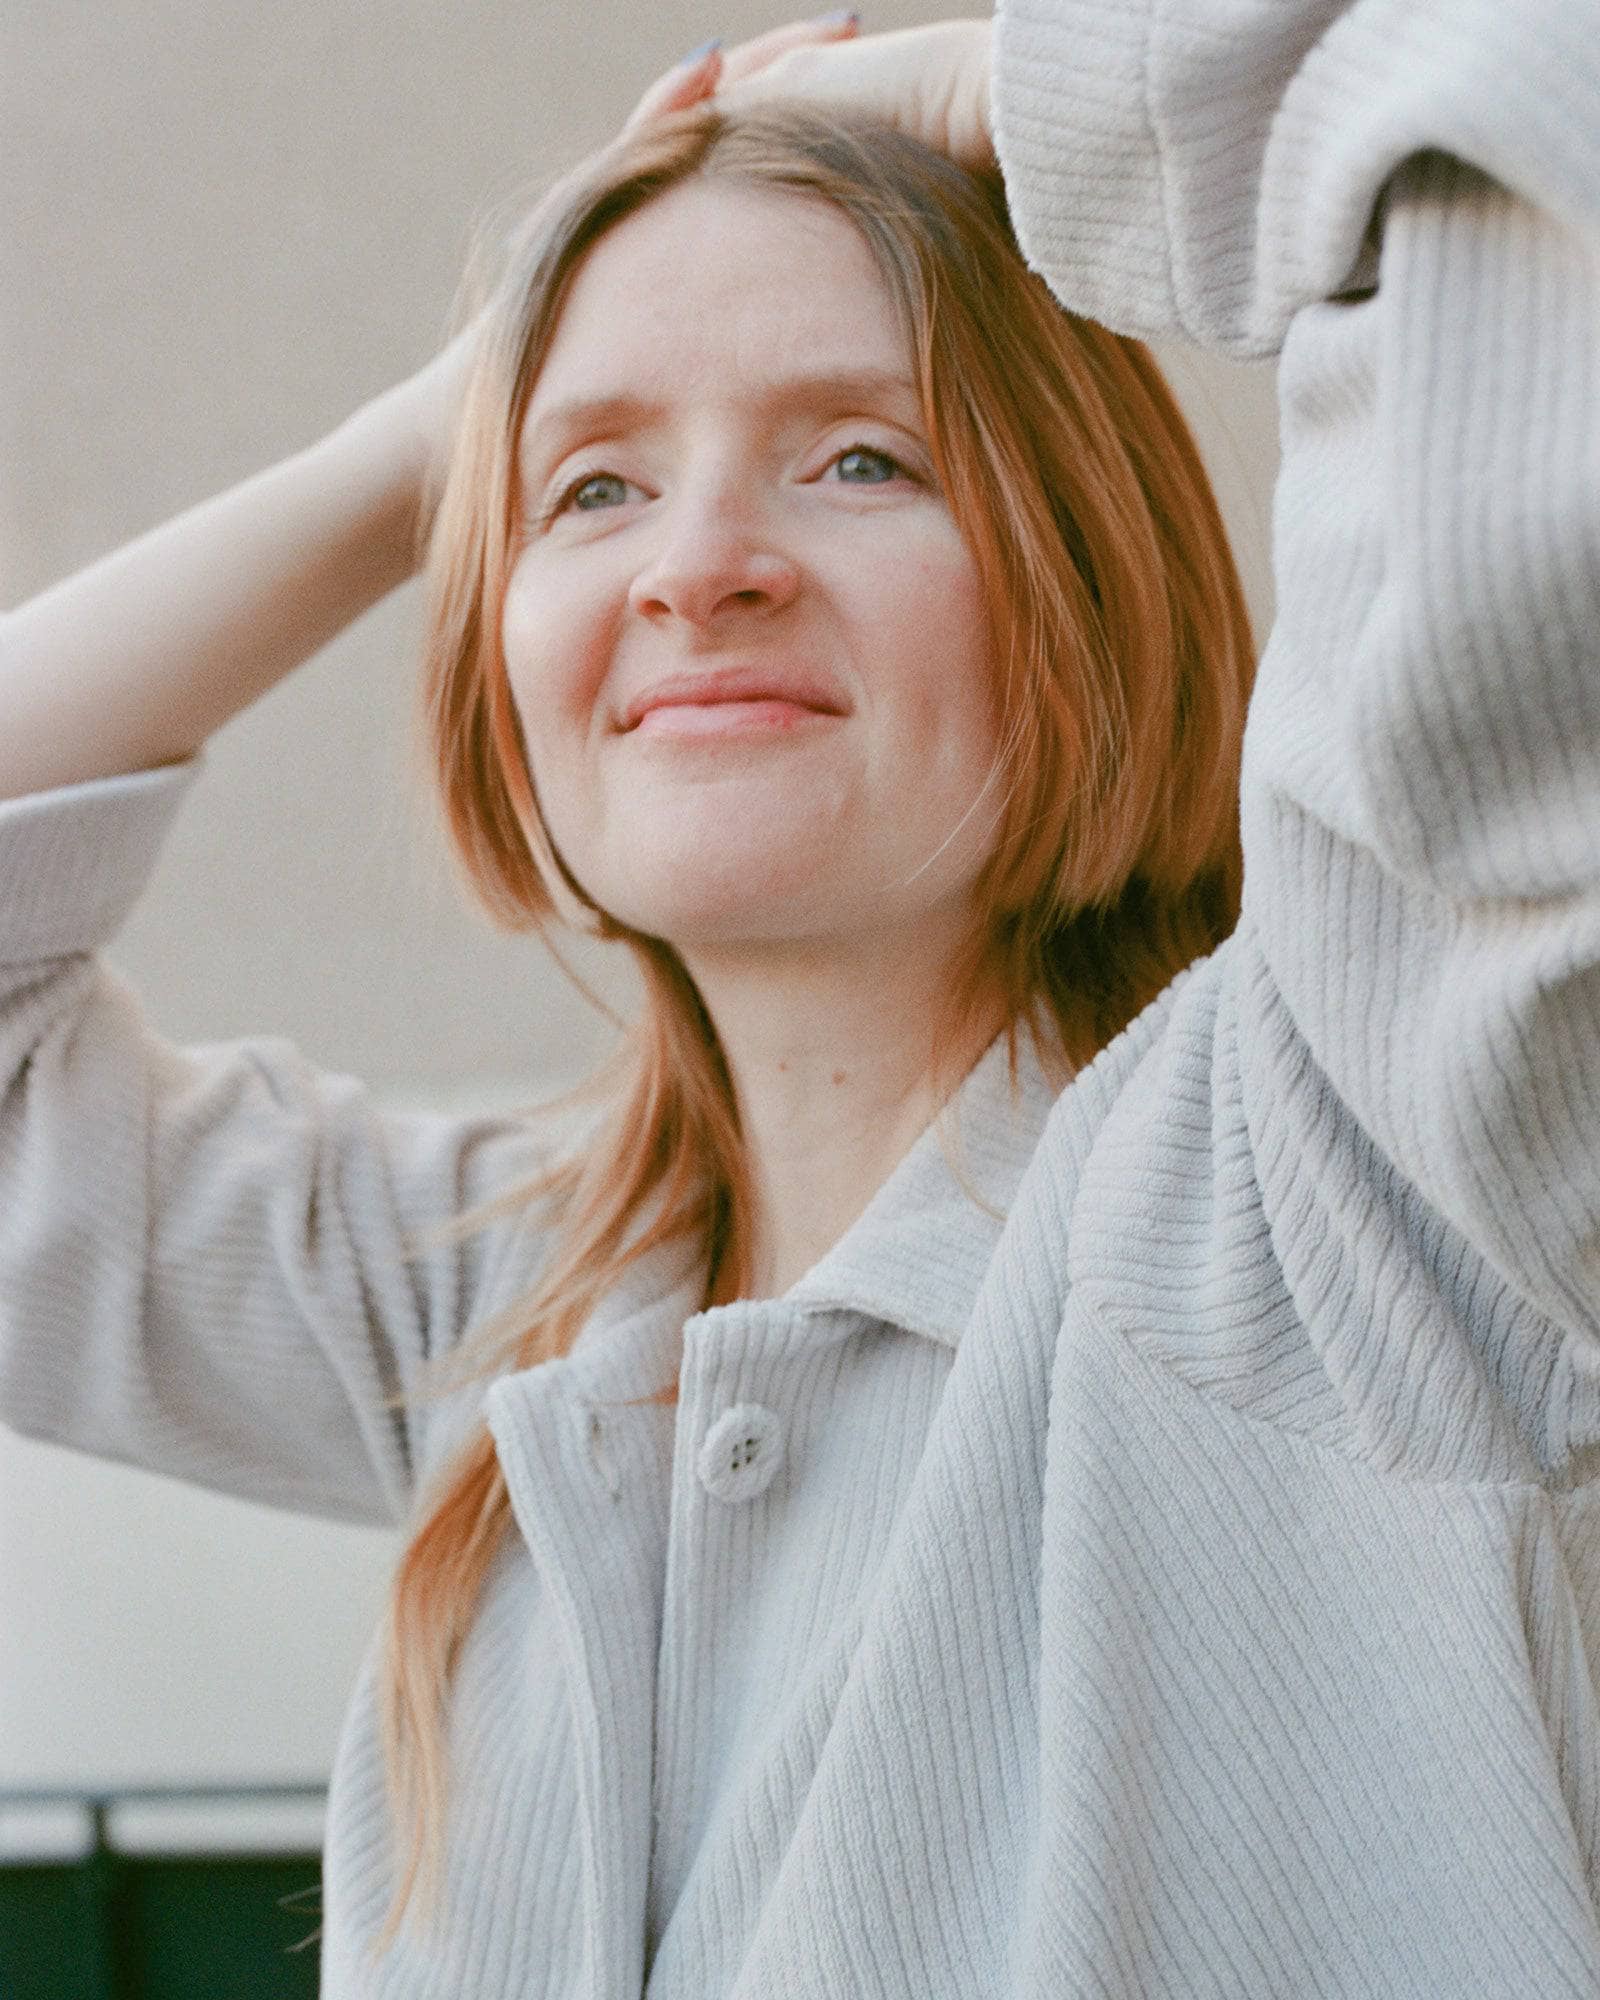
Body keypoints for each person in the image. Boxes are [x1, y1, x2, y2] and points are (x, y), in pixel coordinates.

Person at [2, 1, 1596, 1994]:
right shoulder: (504, 1306)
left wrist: (1005, 91)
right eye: (593, 492)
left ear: (1085, 581)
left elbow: (1533, 149)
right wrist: (440, 428)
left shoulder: (1342, 1195)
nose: (697, 569)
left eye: (859, 457)